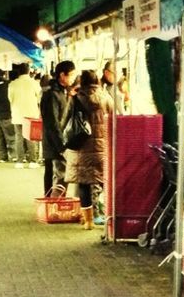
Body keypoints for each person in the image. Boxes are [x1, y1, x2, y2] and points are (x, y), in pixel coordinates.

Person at [64, 70, 113, 230]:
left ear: (82, 81)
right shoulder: (106, 97)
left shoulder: (77, 97)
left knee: (84, 184)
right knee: (105, 182)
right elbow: (114, 119)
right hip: (102, 147)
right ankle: (109, 217)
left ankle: (89, 221)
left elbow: (66, 120)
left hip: (82, 148)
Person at [39, 60, 76, 195]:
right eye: (71, 75)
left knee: (51, 173)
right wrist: (61, 146)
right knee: (57, 175)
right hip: (54, 141)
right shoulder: (52, 94)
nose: (72, 78)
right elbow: (52, 122)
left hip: (55, 140)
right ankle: (53, 205)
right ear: (62, 75)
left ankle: (50, 203)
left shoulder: (61, 92)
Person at [7, 62, 41, 168]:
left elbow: (10, 99)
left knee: (19, 137)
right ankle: (33, 161)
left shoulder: (12, 84)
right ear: (28, 71)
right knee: (31, 137)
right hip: (31, 114)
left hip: (17, 114)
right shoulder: (34, 83)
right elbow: (40, 98)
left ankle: (20, 161)